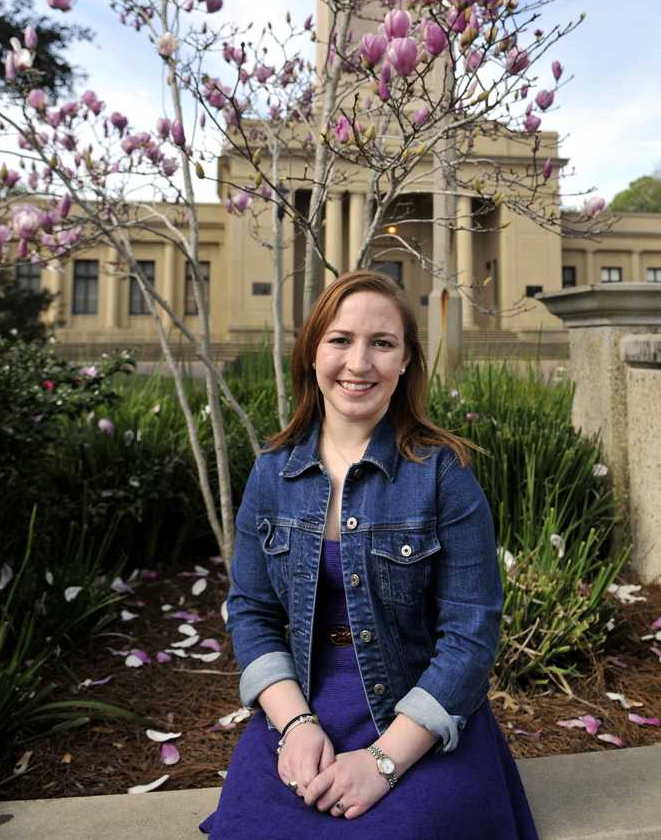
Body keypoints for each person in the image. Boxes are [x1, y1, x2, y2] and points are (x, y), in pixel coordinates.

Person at [200, 271, 539, 838]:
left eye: (382, 344)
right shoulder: (271, 473)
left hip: (419, 719)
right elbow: (253, 616)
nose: (359, 363)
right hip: (301, 711)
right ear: (312, 354)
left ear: (405, 362)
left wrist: (384, 763)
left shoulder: (443, 476)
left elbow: (470, 635)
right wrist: (296, 726)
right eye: (340, 340)